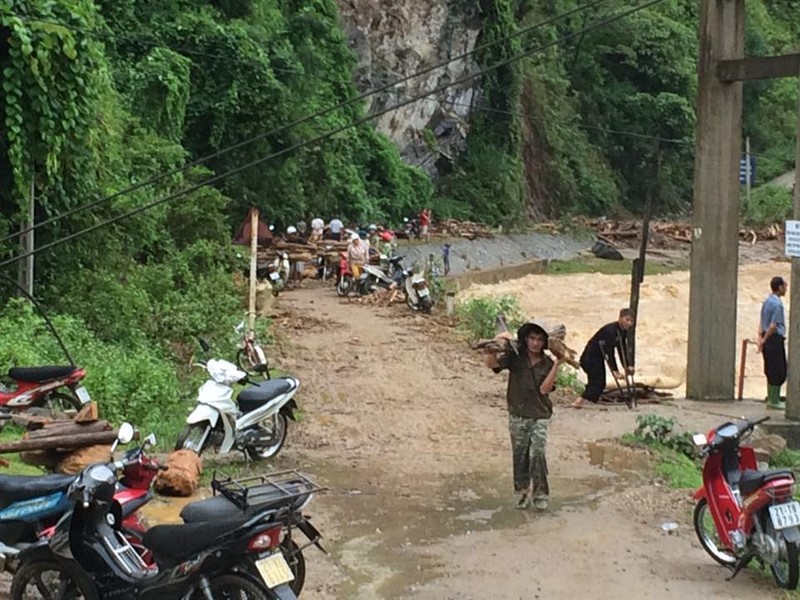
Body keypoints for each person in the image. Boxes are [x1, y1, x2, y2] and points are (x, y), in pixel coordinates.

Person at [486, 323, 561, 511]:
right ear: (526, 339)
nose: (535, 343)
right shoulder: (515, 356)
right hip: (518, 414)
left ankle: (541, 494)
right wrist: (493, 346)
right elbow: (492, 364)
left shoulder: (548, 363)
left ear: (544, 343)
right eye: (532, 338)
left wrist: (558, 363)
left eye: (539, 340)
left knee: (537, 454)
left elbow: (544, 389)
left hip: (539, 415)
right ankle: (523, 491)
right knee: (520, 455)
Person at [571, 308, 635, 409]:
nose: (629, 323)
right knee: (598, 382)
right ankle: (580, 401)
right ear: (620, 318)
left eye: (631, 321)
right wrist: (615, 370)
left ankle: (585, 401)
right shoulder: (610, 330)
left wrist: (627, 365)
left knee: (597, 381)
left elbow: (621, 349)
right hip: (590, 357)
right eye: (627, 320)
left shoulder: (622, 332)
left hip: (599, 357)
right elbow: (610, 352)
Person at [758, 276, 787, 409]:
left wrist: (761, 339)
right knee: (778, 369)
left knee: (769, 367)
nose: (786, 289)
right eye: (785, 286)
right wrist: (764, 340)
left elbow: (762, 323)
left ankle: (771, 397)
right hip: (774, 338)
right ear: (780, 287)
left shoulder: (767, 301)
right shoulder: (778, 304)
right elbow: (773, 325)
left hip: (766, 336)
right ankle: (774, 400)